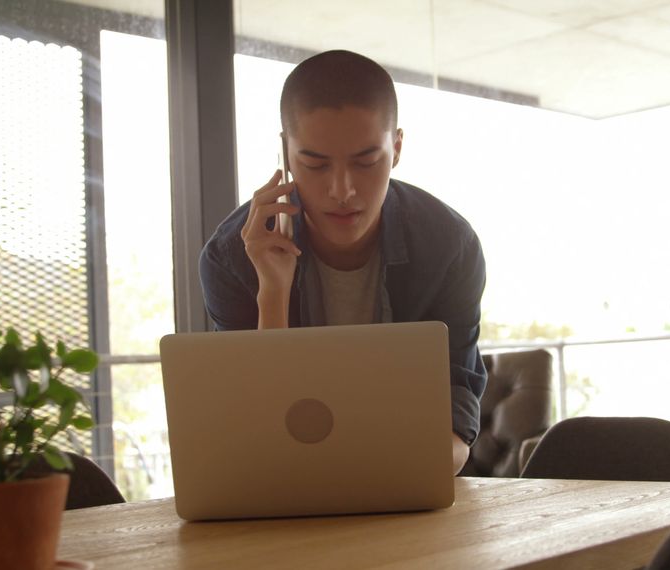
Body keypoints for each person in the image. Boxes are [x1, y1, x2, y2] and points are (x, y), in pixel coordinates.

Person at [199, 50, 486, 474]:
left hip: (411, 479)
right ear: (285, 152)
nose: (342, 190)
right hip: (286, 485)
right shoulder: (232, 257)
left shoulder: (449, 246)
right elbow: (256, 424)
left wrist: (405, 472)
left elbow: (456, 399)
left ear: (398, 148)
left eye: (367, 162)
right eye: (314, 164)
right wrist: (272, 293)